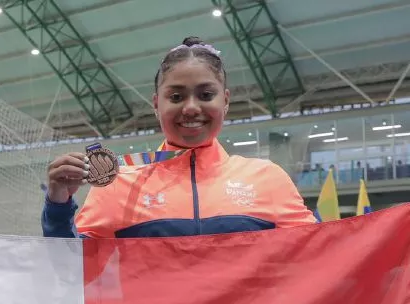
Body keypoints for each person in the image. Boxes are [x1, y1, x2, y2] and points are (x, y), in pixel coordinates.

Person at [42, 36, 315, 243]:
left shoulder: (267, 179)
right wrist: (58, 206)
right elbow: (72, 272)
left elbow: (321, 253)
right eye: (176, 97)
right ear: (156, 104)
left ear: (226, 101)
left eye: (206, 95)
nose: (191, 108)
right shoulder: (119, 184)